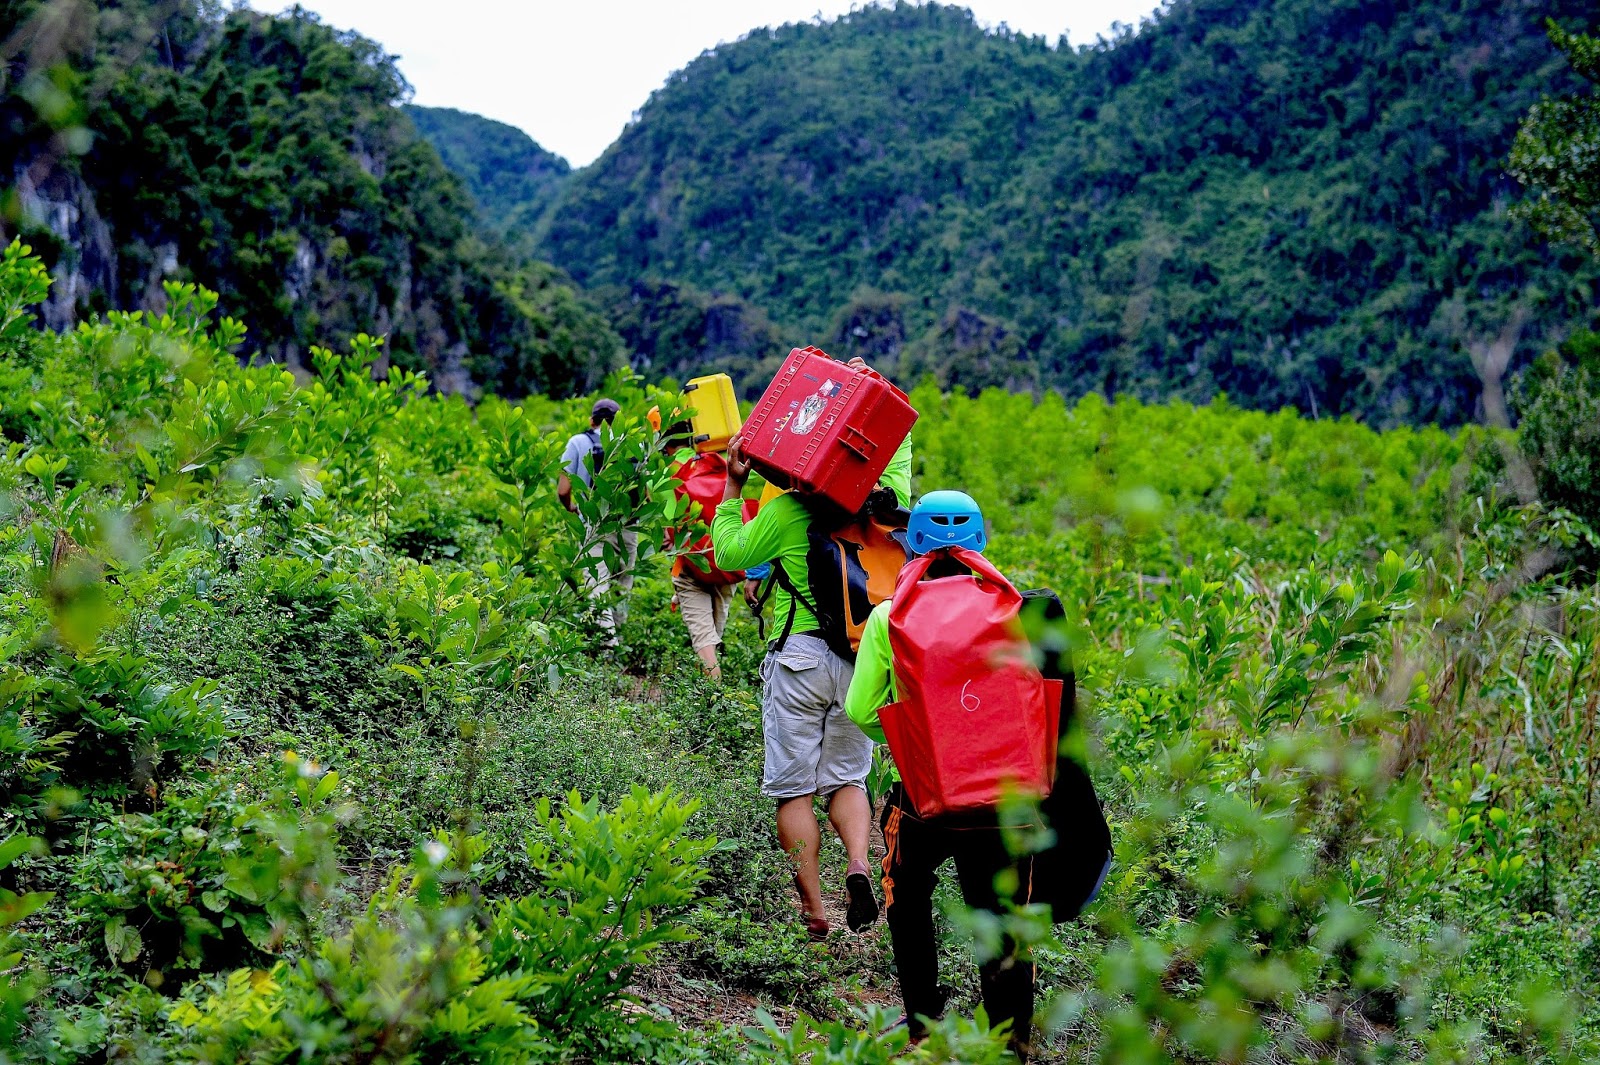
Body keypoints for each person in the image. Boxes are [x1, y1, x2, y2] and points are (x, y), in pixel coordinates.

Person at [844, 490, 1109, 1061]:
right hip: (1009, 803)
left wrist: (921, 742)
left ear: (913, 543)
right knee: (1006, 918)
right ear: (979, 543)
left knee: (907, 895)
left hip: (925, 802)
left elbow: (862, 711)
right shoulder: (1020, 611)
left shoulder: (889, 618)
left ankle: (921, 1026)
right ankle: (1009, 1042)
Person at [709, 386, 913, 940]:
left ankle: (815, 908)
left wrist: (734, 486)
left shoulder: (788, 510)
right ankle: (859, 864)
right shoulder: (886, 500)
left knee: (794, 789)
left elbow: (727, 554)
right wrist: (870, 396)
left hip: (797, 656)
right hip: (859, 655)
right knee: (848, 777)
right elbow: (899, 443)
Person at [663, 422, 751, 680]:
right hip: (727, 562)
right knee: (715, 633)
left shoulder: (670, 475)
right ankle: (713, 691)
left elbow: (670, 528)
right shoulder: (716, 462)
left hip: (692, 568)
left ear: (663, 444)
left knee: (704, 641)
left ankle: (713, 697)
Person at [557, 398, 639, 645]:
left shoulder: (578, 442)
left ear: (592, 420)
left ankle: (607, 642)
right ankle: (618, 630)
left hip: (595, 520)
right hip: (628, 521)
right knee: (623, 579)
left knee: (597, 580)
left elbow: (563, 489)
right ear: (619, 420)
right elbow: (645, 490)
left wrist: (571, 507)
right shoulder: (635, 442)